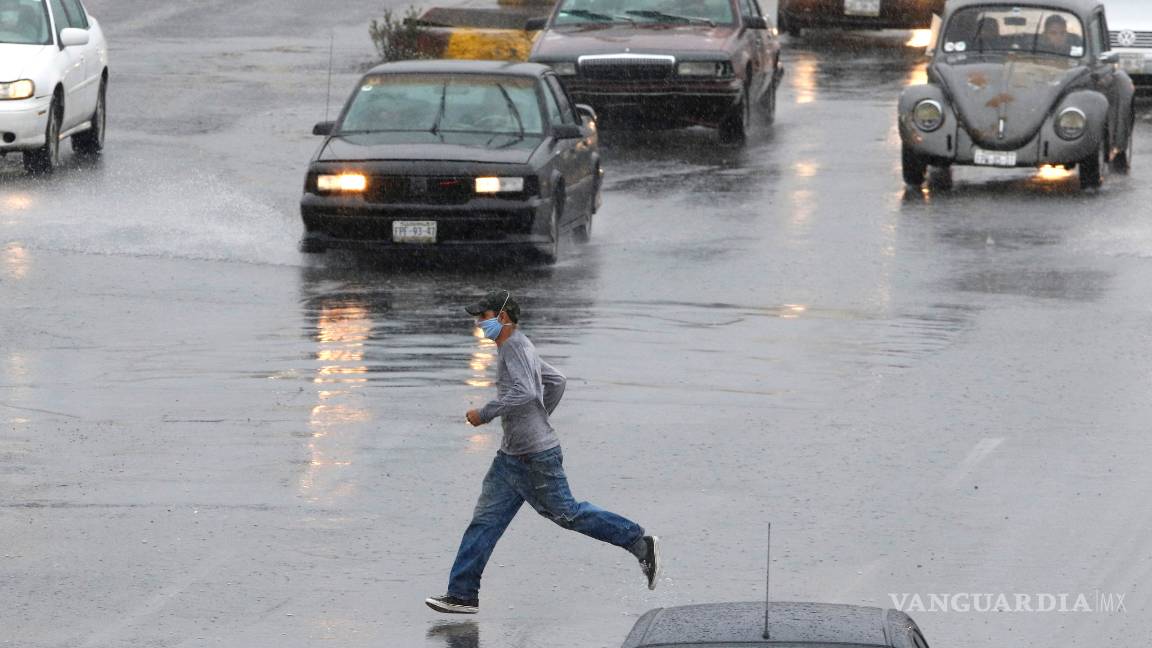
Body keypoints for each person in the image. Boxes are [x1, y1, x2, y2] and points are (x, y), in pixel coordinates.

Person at [425, 289, 660, 615]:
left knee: (568, 514)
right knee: (485, 522)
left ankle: (638, 542)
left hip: (535, 458)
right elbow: (557, 381)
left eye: (483, 316)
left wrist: (486, 413)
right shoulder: (518, 346)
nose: (479, 323)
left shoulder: (514, 347)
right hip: (511, 458)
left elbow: (525, 391)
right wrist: (538, 417)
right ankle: (462, 594)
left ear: (502, 317)